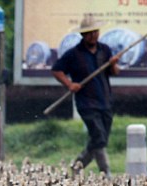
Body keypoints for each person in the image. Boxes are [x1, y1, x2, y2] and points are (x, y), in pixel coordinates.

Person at [51, 14, 121, 176]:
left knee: (100, 140)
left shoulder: (105, 50)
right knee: (98, 136)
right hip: (87, 103)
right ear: (83, 34)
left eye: (95, 32)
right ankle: (106, 172)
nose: (93, 35)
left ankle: (78, 165)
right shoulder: (74, 54)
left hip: (105, 100)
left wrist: (113, 64)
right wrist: (69, 84)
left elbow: (114, 72)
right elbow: (57, 70)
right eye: (89, 32)